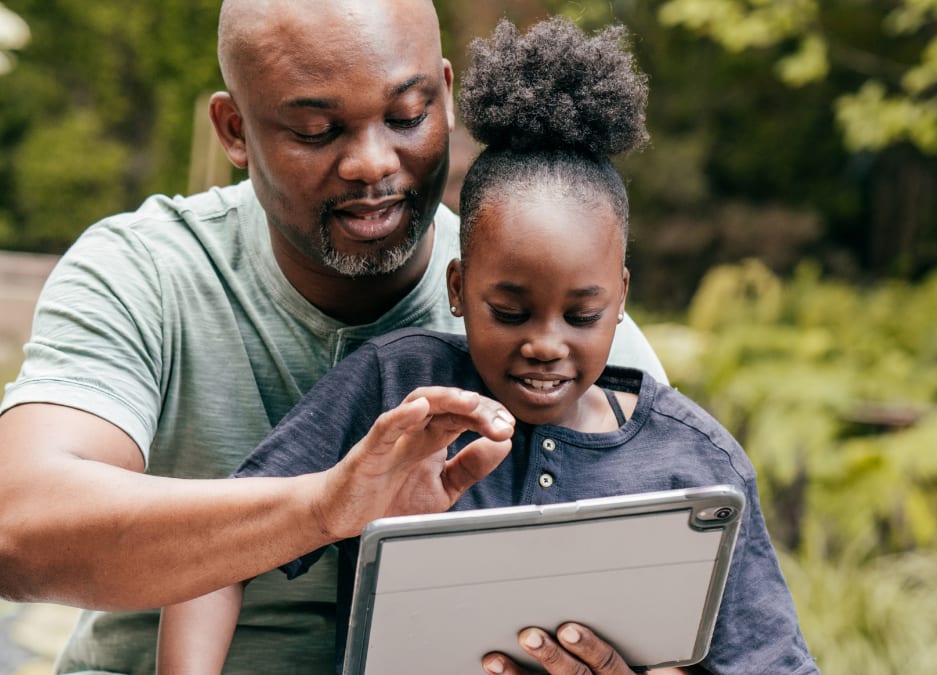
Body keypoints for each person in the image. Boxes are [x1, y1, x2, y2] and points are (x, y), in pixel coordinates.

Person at [0, 1, 667, 673]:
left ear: (446, 94)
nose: (373, 163)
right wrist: (322, 507)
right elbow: (16, 526)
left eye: (408, 116)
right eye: (318, 130)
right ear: (235, 129)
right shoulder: (148, 272)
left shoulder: (562, 331)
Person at [157, 16, 820, 675]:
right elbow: (218, 554)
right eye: (509, 310)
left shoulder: (694, 463)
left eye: (582, 313)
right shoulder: (398, 394)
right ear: (457, 286)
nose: (544, 344)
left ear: (620, 298)